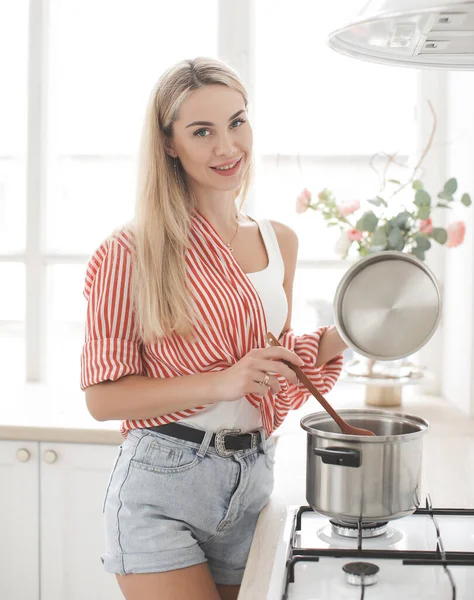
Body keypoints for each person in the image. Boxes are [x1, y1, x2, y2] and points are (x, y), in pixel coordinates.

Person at [80, 57, 347, 600]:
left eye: (237, 122)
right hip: (160, 484)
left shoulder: (280, 242)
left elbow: (271, 364)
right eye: (202, 131)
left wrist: (356, 329)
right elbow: (104, 399)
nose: (227, 147)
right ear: (170, 144)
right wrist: (224, 381)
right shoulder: (130, 251)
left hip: (251, 481)